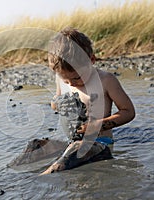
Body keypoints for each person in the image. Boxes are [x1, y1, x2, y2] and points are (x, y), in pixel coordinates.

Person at [40, 27, 135, 175]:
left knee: (64, 162)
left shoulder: (106, 80)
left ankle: (38, 180)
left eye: (76, 77)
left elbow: (128, 112)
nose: (70, 84)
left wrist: (98, 125)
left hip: (100, 144)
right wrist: (57, 103)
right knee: (37, 146)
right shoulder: (62, 79)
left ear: (91, 60)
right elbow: (54, 102)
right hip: (73, 142)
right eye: (66, 79)